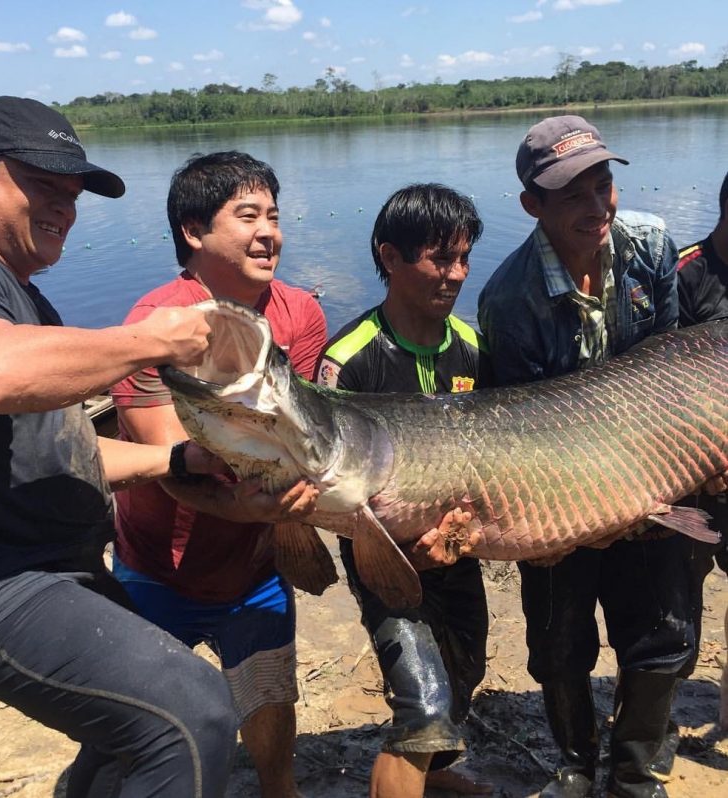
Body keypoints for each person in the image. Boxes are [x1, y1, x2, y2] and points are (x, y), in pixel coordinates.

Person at [0, 96, 238, 797]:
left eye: (71, 195)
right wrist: (158, 338)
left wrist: (175, 461)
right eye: (43, 187)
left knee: (127, 730)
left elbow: (55, 451)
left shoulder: (23, 300)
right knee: (192, 712)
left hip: (33, 564)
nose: (64, 209)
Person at [477, 115, 694, 798]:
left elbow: (671, 366)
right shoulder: (508, 301)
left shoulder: (651, 246)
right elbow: (519, 429)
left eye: (604, 187)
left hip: (653, 466)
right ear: (532, 206)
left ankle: (636, 772)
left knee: (662, 635)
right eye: (574, 195)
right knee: (559, 644)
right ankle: (575, 763)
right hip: (559, 489)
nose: (597, 207)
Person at [110, 151, 327, 798]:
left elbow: (303, 436)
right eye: (248, 216)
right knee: (140, 727)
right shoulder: (153, 327)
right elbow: (177, 470)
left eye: (275, 216)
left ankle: (278, 789)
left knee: (269, 702)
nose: (270, 233)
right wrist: (269, 506)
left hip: (256, 567)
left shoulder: (301, 315)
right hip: (158, 567)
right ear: (194, 232)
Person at [315, 183, 494, 798]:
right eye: (441, 259)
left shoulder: (470, 345)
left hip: (455, 549)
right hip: (383, 555)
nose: (458, 275)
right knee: (422, 703)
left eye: (465, 258)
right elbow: (331, 478)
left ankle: (436, 780)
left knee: (465, 670)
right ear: (390, 258)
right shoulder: (349, 358)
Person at [676, 169, 728, 730]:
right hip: (686, 470)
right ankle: (659, 723)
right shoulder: (685, 274)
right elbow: (647, 386)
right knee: (676, 609)